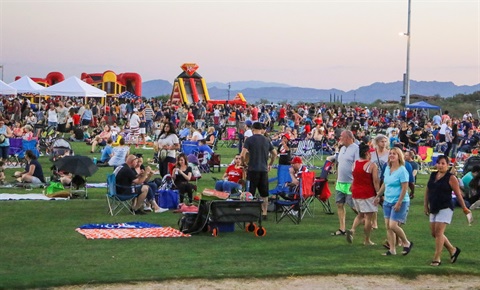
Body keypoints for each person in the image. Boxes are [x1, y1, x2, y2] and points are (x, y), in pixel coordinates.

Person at [424, 155, 471, 266]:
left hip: (445, 207)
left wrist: (464, 208)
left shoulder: (451, 178)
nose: (440, 165)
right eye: (438, 163)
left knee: (439, 233)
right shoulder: (433, 175)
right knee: (434, 233)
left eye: (443, 163)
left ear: (447, 165)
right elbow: (428, 190)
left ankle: (437, 257)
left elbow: (458, 194)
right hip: (434, 206)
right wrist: (425, 205)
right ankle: (453, 250)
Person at [374, 147, 413, 256]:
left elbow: (405, 188)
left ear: (398, 156)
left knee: (393, 225)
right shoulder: (387, 168)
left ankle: (406, 242)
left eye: (394, 154)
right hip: (388, 200)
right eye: (390, 153)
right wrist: (378, 195)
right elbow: (385, 184)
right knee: (388, 226)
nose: (391, 155)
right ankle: (392, 249)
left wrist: (399, 202)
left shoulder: (402, 170)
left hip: (399, 201)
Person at [240, 122, 277, 220]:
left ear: (253, 129)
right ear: (261, 130)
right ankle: (264, 212)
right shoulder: (267, 140)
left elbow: (242, 155)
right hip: (263, 170)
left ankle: (250, 212)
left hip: (252, 169)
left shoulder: (249, 140)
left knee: (249, 192)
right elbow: (274, 154)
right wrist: (270, 164)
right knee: (264, 193)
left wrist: (244, 164)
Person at [346, 143, 380, 245]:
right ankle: (367, 240)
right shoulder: (372, 165)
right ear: (367, 153)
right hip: (367, 193)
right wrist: (378, 194)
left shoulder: (354, 164)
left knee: (360, 214)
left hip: (356, 192)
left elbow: (355, 178)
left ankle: (352, 229)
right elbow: (375, 181)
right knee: (368, 217)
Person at [327, 130, 359, 236]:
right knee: (339, 204)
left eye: (342, 137)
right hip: (340, 182)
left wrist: (355, 182)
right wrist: (337, 178)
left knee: (353, 206)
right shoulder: (342, 148)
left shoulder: (356, 149)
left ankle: (365, 218)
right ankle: (342, 228)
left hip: (350, 182)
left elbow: (358, 166)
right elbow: (339, 164)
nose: (340, 138)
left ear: (348, 138)